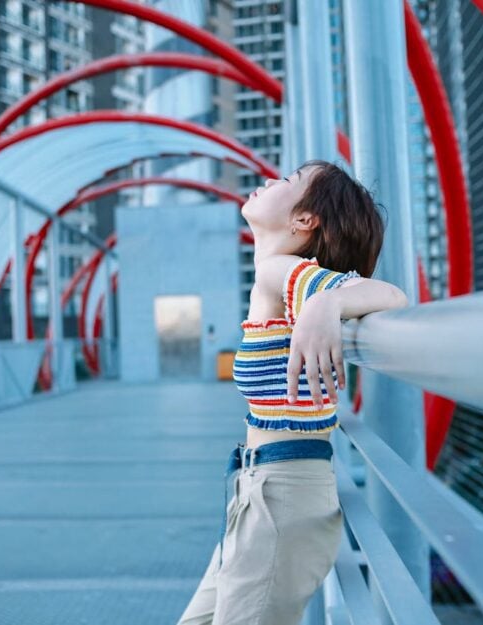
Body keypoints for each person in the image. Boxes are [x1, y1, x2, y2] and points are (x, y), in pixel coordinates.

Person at [176, 159, 409, 625]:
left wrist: (330, 300)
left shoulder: (280, 273)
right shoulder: (277, 277)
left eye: (286, 181)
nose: (268, 180)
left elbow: (394, 298)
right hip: (261, 492)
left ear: (305, 220)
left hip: (281, 499)